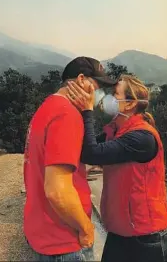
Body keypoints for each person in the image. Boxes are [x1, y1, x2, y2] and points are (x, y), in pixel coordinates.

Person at [66, 74, 167, 262]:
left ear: (130, 104)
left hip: (147, 239)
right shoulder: (115, 131)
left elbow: (91, 153)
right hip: (120, 232)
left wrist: (87, 110)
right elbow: (83, 146)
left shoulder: (141, 138)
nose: (107, 97)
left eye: (114, 93)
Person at [23, 56, 117, 261]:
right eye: (97, 85)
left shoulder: (47, 107)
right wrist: (86, 228)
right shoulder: (67, 116)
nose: (99, 93)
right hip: (64, 240)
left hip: (43, 232)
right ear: (81, 79)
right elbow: (57, 191)